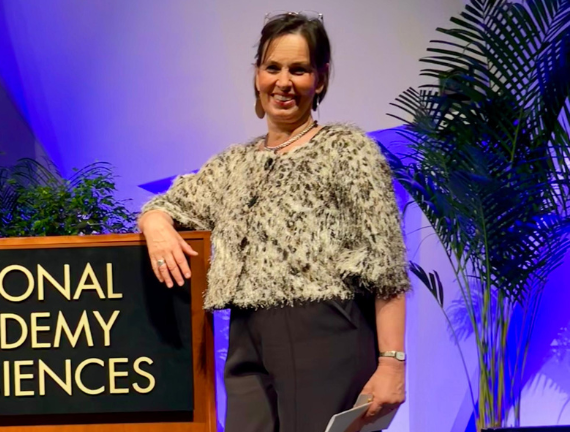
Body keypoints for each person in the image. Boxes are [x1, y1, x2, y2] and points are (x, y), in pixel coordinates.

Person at [138, 11, 409, 432]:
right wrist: (155, 223)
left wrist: (392, 364)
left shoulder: (347, 150)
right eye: (273, 68)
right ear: (257, 75)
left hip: (325, 329)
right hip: (247, 335)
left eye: (298, 70)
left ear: (320, 78)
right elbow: (169, 202)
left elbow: (386, 267)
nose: (283, 82)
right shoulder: (235, 163)